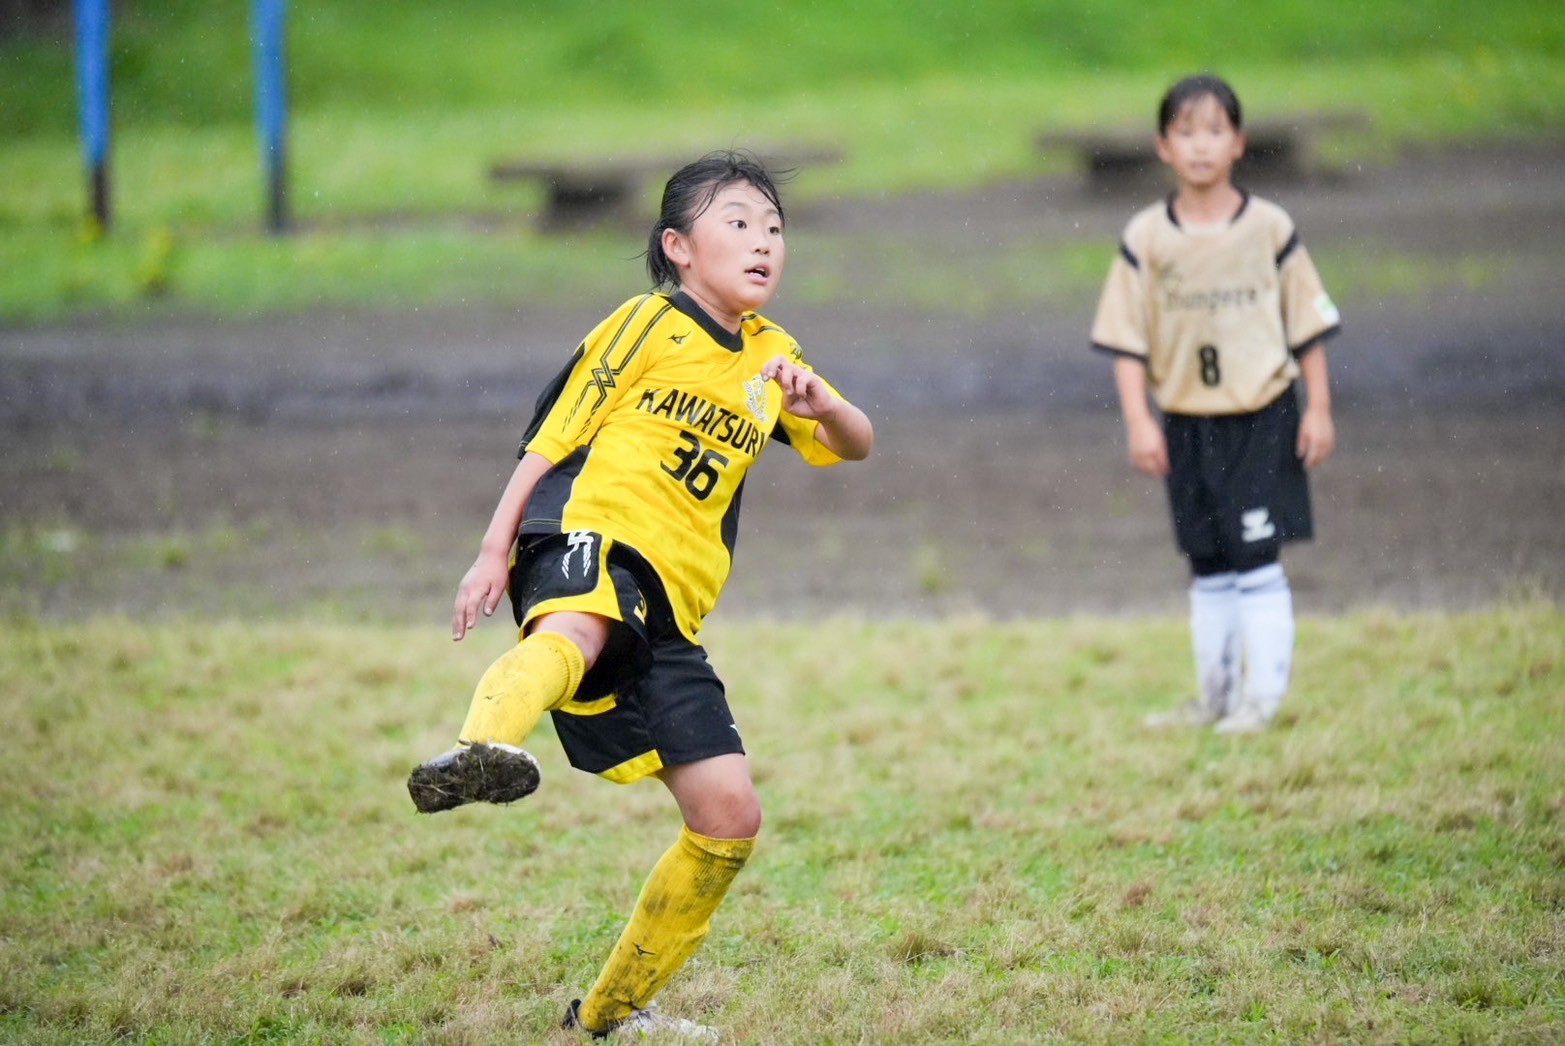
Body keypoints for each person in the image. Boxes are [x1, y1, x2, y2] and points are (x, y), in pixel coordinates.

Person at [405, 150, 872, 1039]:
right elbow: (548, 439)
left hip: (671, 610)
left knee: (729, 818)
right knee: (577, 631)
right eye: (737, 222)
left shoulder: (775, 357)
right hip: (586, 537)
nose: (763, 241)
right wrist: (490, 552)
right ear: (678, 247)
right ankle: (480, 749)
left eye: (775, 228)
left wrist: (822, 405)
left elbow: (856, 444)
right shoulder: (645, 323)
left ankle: (610, 1014)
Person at [1089, 75, 1341, 734]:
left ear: (1237, 143)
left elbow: (1307, 325)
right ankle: (1214, 698)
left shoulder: (1269, 228)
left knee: (1255, 557)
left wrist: (1317, 408)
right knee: (1206, 562)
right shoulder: (1145, 237)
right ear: (1162, 147)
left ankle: (1260, 703)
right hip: (1183, 423)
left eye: (1213, 131)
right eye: (1185, 131)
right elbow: (1125, 342)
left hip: (1261, 415)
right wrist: (1140, 421)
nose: (1200, 145)